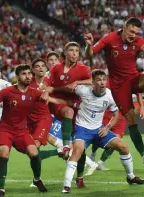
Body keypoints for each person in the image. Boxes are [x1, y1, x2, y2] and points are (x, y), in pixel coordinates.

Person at [84, 17, 144, 170]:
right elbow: (89, 54)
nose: (133, 35)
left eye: (136, 32)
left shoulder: (138, 41)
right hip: (118, 87)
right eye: (132, 31)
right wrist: (88, 45)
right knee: (132, 122)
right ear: (125, 27)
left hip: (133, 79)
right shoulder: (109, 38)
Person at [0, 64, 66, 197]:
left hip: (22, 130)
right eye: (24, 74)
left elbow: (52, 98)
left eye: (29, 73)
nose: (28, 76)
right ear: (17, 77)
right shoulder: (7, 91)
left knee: (34, 153)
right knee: (4, 154)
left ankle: (37, 179)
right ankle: (1, 189)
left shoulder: (34, 93)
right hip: (5, 129)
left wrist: (62, 100)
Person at [62, 69, 144, 194]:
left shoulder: (109, 95)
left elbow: (115, 115)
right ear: (92, 82)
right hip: (82, 129)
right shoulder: (82, 90)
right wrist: (57, 93)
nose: (102, 83)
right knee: (77, 152)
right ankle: (66, 185)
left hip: (99, 130)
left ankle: (131, 177)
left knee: (123, 147)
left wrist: (107, 127)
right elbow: (67, 89)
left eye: (104, 80)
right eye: (98, 80)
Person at [43, 42, 93, 188]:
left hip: (76, 106)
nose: (74, 53)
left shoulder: (83, 69)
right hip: (58, 103)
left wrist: (77, 82)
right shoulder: (56, 68)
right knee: (68, 111)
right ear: (65, 52)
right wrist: (45, 91)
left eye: (77, 51)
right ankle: (65, 146)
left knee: (80, 146)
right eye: (71, 50)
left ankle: (80, 177)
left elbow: (92, 81)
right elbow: (46, 83)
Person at [87, 89, 144, 175]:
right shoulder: (109, 82)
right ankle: (93, 154)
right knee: (99, 135)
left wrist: (141, 107)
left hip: (121, 116)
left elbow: (138, 93)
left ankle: (100, 162)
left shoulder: (129, 82)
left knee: (116, 139)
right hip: (108, 113)